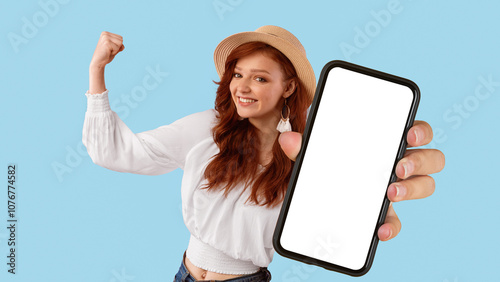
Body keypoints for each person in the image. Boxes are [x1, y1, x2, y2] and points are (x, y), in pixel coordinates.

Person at [83, 26, 445, 282]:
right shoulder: (207, 129)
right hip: (185, 274)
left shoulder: (308, 155)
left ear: (288, 86)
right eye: (238, 74)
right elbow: (117, 152)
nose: (242, 86)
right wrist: (96, 71)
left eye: (259, 78)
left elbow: (328, 231)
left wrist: (367, 199)